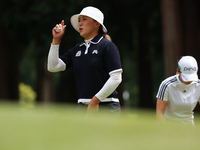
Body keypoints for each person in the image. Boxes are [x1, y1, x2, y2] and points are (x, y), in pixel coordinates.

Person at [47, 6, 123, 115]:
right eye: (79, 20)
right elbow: (53, 67)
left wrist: (95, 100)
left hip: (107, 106)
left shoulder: (107, 46)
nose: (80, 23)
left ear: (97, 23)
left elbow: (116, 77)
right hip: (82, 107)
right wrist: (56, 41)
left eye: (84, 19)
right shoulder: (78, 49)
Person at [156, 56, 200, 126]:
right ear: (178, 71)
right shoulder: (167, 85)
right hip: (169, 126)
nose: (189, 80)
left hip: (189, 126)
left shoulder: (198, 85)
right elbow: (159, 114)